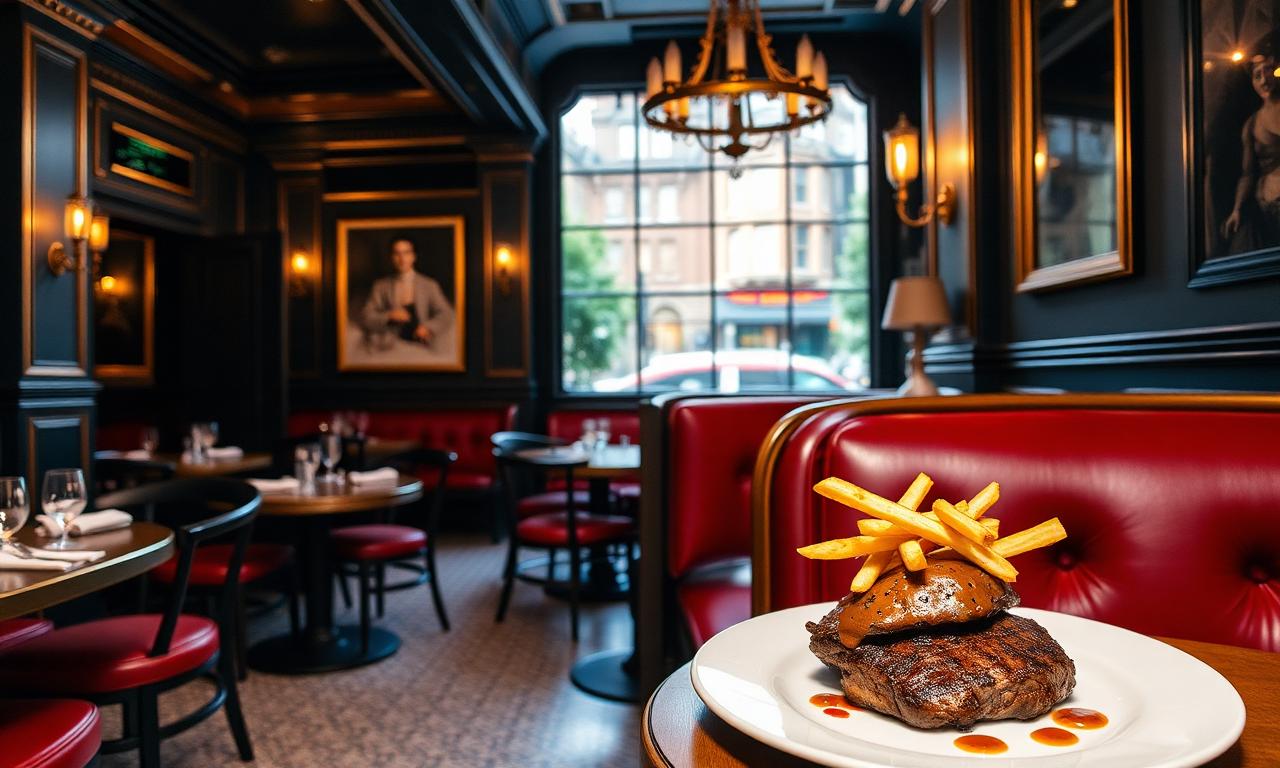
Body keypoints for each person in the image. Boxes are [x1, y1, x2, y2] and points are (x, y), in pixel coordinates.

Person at [1221, 44, 1280, 253]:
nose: (1264, 80)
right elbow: (1248, 174)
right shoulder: (1252, 125)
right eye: (1257, 76)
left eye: (1268, 71)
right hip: (1269, 207)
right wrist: (1237, 209)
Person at [360, 236, 454, 349]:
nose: (402, 258)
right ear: (391, 258)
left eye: (406, 253)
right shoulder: (381, 286)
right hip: (391, 346)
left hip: (423, 344)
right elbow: (366, 316)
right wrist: (389, 315)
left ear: (413, 256)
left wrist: (428, 327)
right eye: (396, 253)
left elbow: (447, 313)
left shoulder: (429, 285)